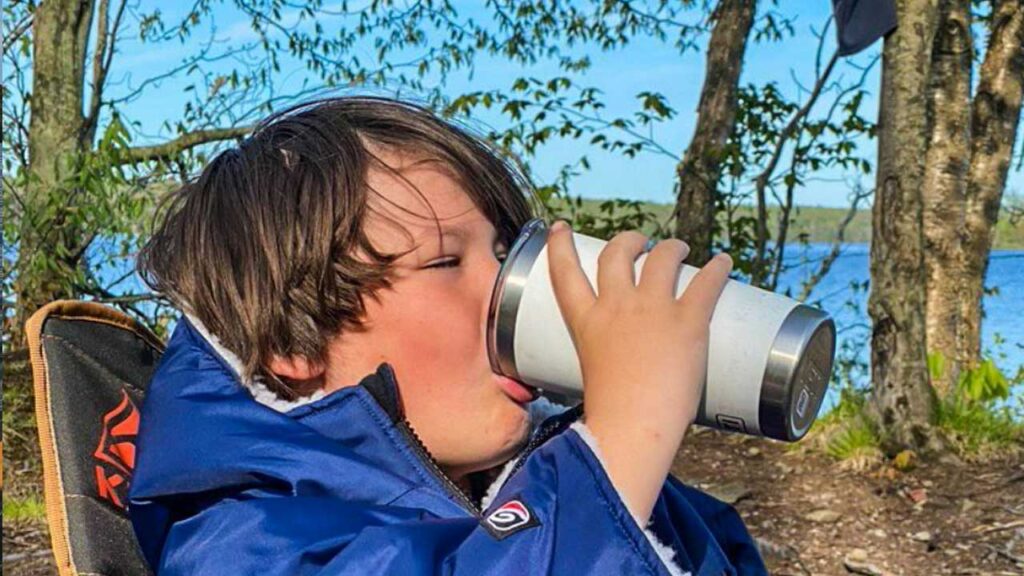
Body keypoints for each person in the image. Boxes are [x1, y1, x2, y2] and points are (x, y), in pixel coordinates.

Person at [128, 95, 768, 575]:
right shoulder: (244, 542)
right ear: (295, 345)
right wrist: (627, 440)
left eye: (505, 255)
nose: (506, 290)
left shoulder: (526, 476)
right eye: (445, 262)